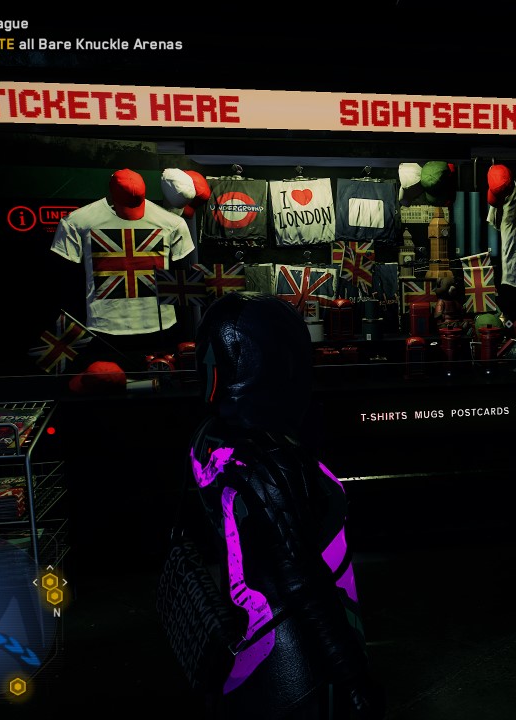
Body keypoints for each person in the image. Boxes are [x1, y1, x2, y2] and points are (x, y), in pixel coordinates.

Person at [180, 291, 384, 719]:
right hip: (295, 662)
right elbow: (302, 584)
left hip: (255, 642)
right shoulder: (268, 460)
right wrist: (353, 679)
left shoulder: (213, 437)